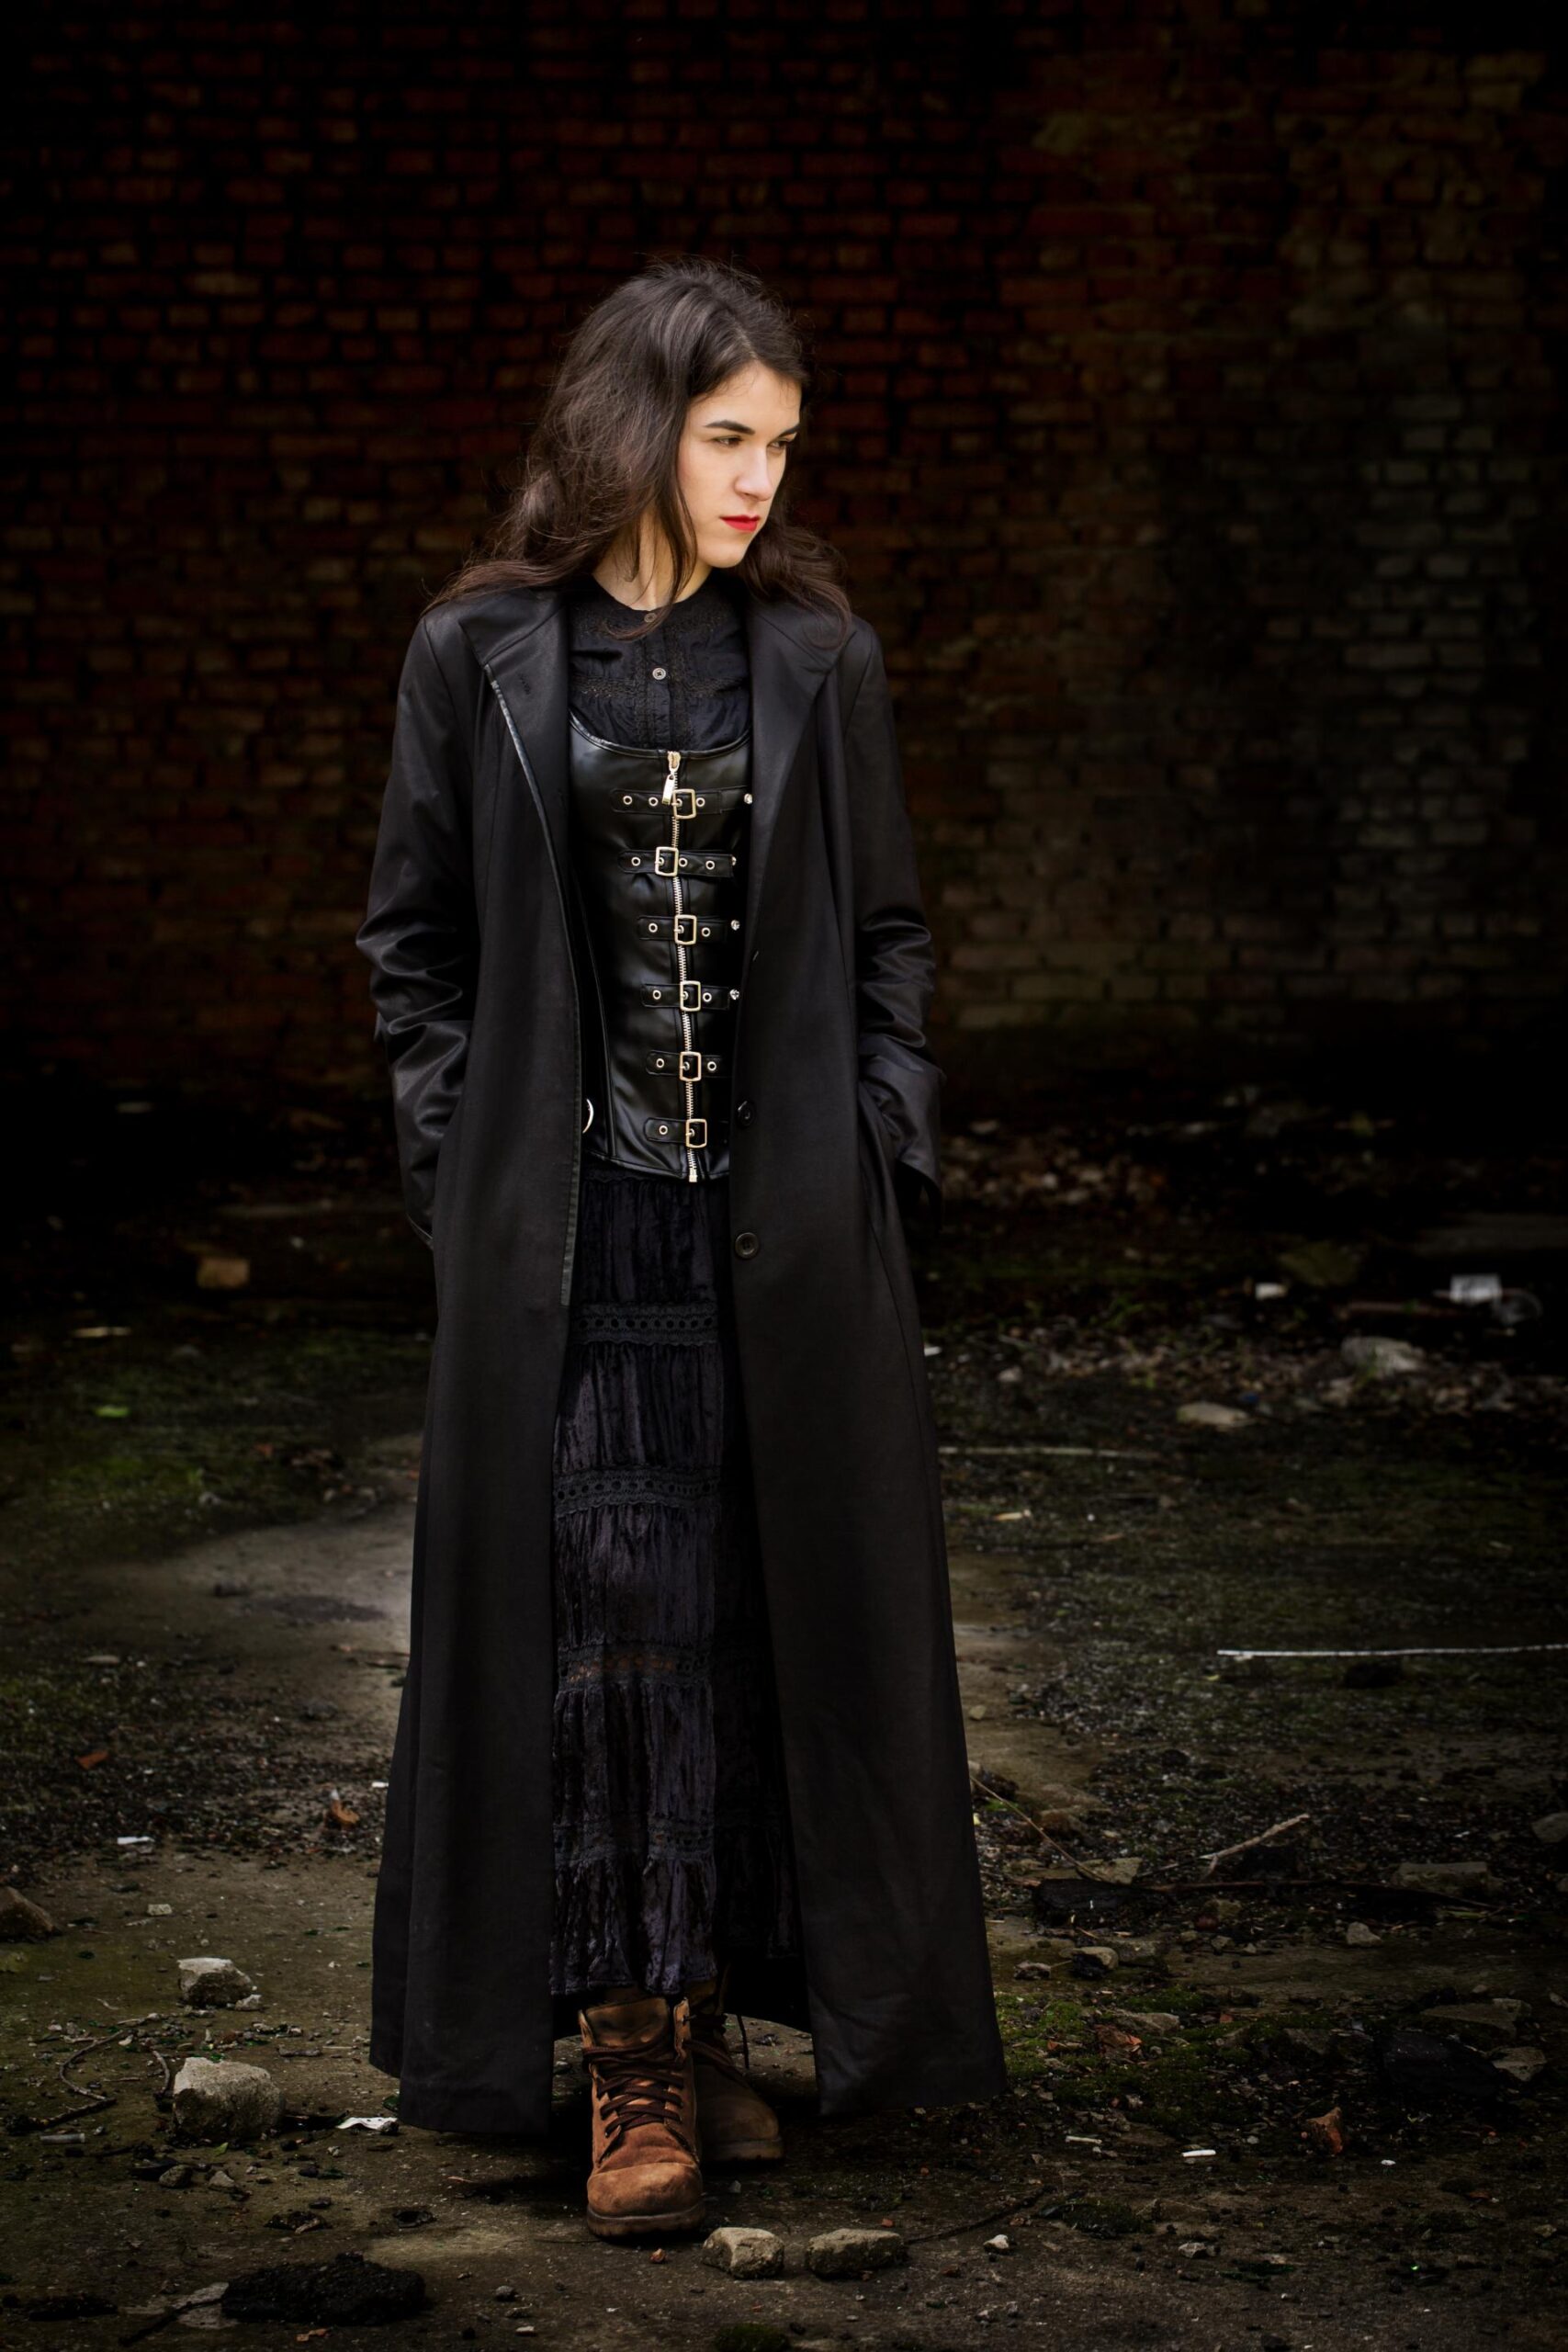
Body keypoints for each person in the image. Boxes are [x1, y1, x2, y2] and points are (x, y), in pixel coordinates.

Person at [356, 254, 1006, 2244]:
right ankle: (626, 2046)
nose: (757, 479)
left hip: (781, 1231)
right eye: (728, 436)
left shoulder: (813, 655)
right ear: (633, 425)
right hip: (575, 1234)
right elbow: (414, 947)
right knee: (606, 1621)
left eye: (781, 445)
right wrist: (462, 1174)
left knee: (746, 1615)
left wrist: (881, 1149)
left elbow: (887, 936)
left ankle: (706, 2003)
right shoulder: (478, 649)